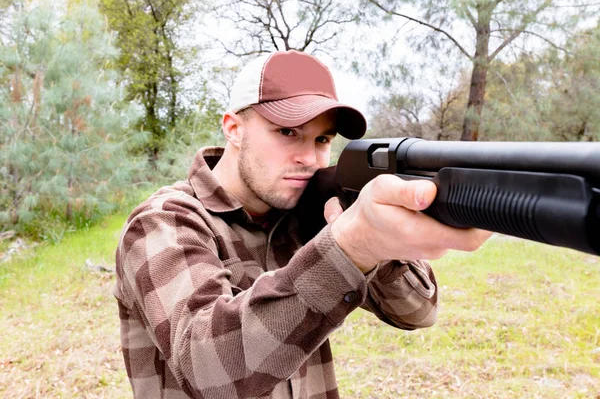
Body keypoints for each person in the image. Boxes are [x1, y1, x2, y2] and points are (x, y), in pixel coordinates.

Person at [114, 50, 491, 399]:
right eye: (288, 132)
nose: (310, 158)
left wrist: (380, 247)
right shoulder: (163, 221)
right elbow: (208, 369)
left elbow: (418, 313)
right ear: (233, 128)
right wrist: (348, 248)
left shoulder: (307, 210)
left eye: (323, 138)